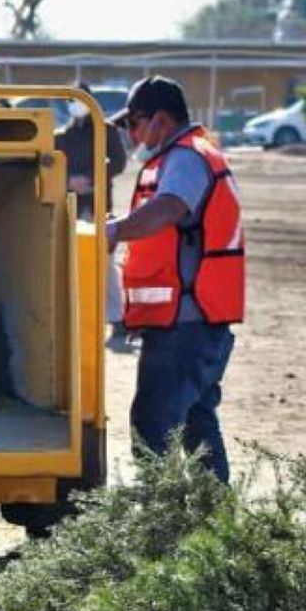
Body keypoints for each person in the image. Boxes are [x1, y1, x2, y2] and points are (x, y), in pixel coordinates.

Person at [103, 75, 243, 481]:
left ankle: (161, 520)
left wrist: (114, 231)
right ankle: (212, 523)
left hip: (186, 325)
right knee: (197, 426)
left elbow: (168, 209)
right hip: (198, 321)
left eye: (134, 123)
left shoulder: (185, 157)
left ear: (161, 120)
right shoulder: (194, 154)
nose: (130, 133)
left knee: (152, 422)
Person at [54, 83, 133, 351]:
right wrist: (68, 181)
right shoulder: (62, 135)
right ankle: (74, 320)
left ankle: (117, 318)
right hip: (69, 206)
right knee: (68, 262)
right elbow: (54, 165)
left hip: (99, 206)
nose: (73, 105)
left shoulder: (106, 131)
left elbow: (119, 162)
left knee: (106, 262)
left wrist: (91, 178)